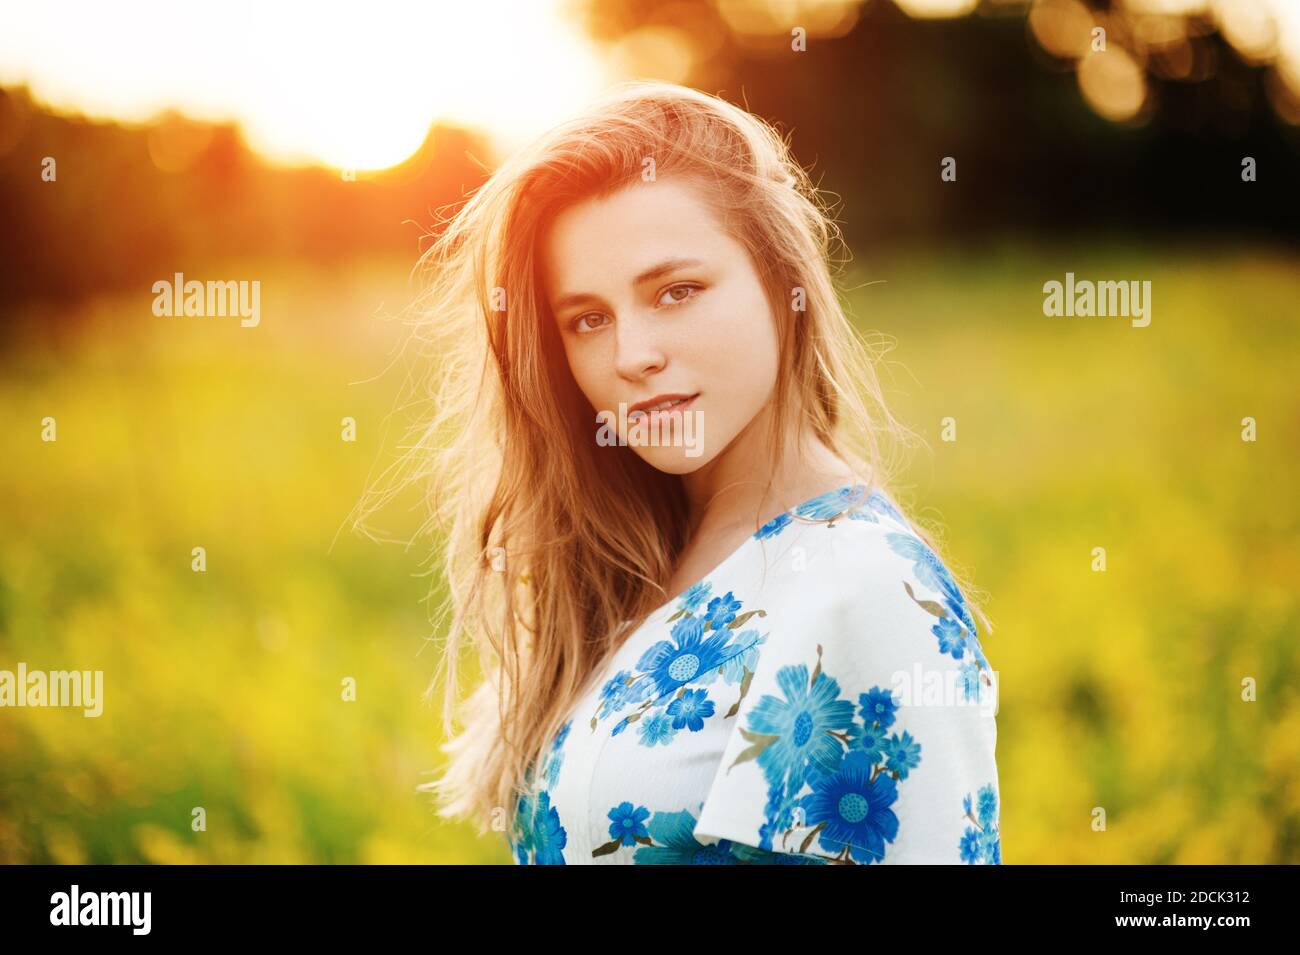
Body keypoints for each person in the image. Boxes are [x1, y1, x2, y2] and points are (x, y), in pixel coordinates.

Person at [368, 79, 1000, 864]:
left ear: (783, 282)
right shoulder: (633, 558)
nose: (632, 356)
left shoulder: (859, 587)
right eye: (589, 318)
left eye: (677, 291)